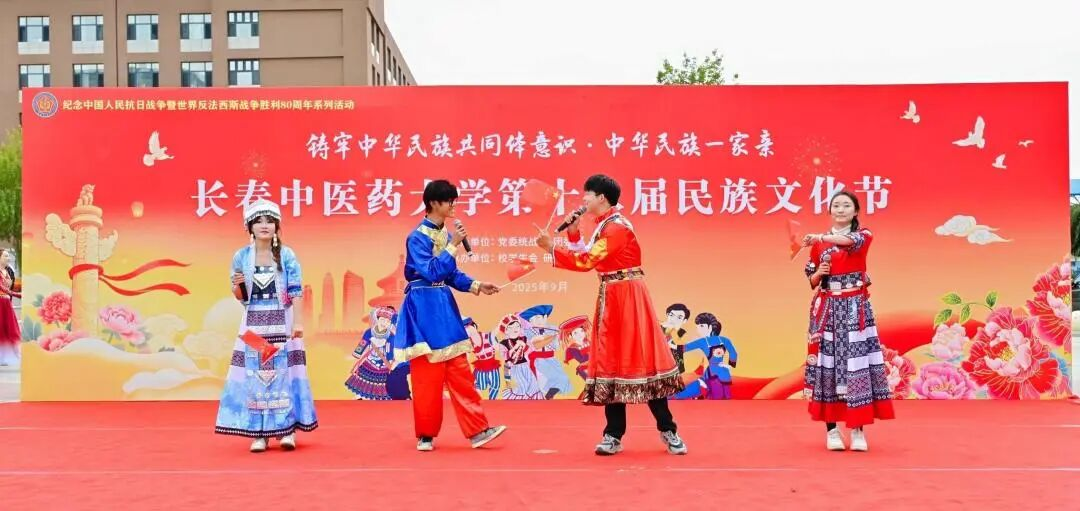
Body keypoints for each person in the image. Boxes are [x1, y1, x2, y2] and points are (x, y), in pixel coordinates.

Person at [534, 174, 687, 456]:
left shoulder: (617, 228)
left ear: (601, 198)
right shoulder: (604, 225)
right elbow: (589, 255)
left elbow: (587, 261)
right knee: (612, 360)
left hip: (628, 297)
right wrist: (573, 232)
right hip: (611, 296)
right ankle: (613, 434)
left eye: (587, 194)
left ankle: (668, 429)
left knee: (643, 359)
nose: (583, 199)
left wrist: (551, 248)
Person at [393, 180, 507, 452]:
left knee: (460, 372)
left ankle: (478, 430)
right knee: (427, 375)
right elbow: (431, 271)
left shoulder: (445, 235)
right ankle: (426, 434)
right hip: (423, 306)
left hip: (443, 306)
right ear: (434, 203)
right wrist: (453, 245)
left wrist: (477, 285)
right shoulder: (416, 237)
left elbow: (450, 274)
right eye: (449, 201)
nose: (454, 205)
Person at [215, 199, 318, 453]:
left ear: (276, 226)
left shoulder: (287, 255)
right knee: (256, 376)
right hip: (252, 324)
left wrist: (298, 322)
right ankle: (259, 433)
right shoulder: (241, 256)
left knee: (284, 374)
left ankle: (287, 430)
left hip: (282, 320)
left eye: (270, 221)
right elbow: (241, 297)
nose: (264, 226)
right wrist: (238, 285)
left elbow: (296, 291)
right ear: (249, 227)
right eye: (259, 221)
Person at [802, 191, 894, 452]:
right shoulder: (819, 245)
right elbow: (811, 280)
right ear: (830, 210)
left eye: (846, 205)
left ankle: (857, 430)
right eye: (836, 205)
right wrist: (819, 273)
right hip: (828, 309)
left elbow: (847, 241)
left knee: (857, 365)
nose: (840, 209)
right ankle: (831, 429)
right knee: (828, 365)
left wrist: (820, 237)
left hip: (855, 309)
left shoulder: (863, 235)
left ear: (855, 211)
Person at [0, 249, 21, 366]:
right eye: (5, 256)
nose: (8, 258)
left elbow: (12, 286)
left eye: (8, 256)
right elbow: (3, 288)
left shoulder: (8, 271)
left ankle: (7, 355)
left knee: (11, 329)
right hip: (1, 302)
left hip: (7, 303)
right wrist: (19, 295)